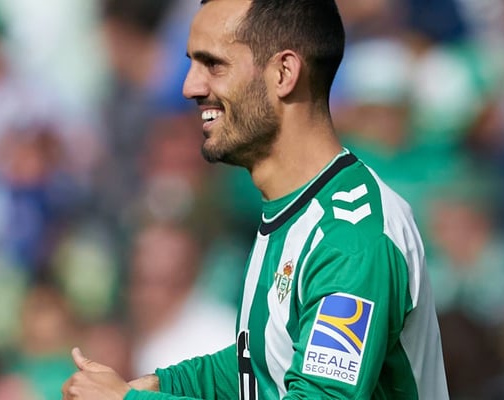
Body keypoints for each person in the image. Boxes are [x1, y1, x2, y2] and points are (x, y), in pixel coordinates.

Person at [62, 0, 449, 398]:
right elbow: (266, 363)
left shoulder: (349, 238)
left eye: (213, 65)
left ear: (284, 73)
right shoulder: (292, 209)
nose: (190, 87)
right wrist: (165, 384)